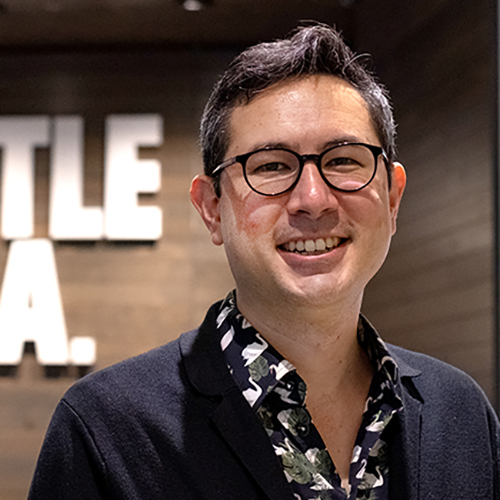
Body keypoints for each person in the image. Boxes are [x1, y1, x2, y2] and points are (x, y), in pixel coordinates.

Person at [28, 23, 499, 500]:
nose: (313, 200)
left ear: (392, 199)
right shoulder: (107, 432)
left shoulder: (460, 415)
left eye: (344, 161)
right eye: (271, 166)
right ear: (211, 207)